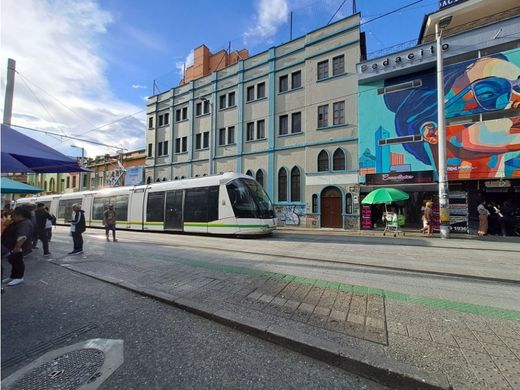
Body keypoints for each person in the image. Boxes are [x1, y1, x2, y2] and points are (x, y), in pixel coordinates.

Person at [1, 206, 33, 286]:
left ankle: (19, 277)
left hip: (18, 248)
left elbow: (22, 237)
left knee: (18, 262)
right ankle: (13, 276)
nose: (12, 216)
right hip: (11, 246)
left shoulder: (25, 223)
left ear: (20, 215)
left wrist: (17, 247)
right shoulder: (17, 222)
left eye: (13, 215)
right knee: (13, 262)